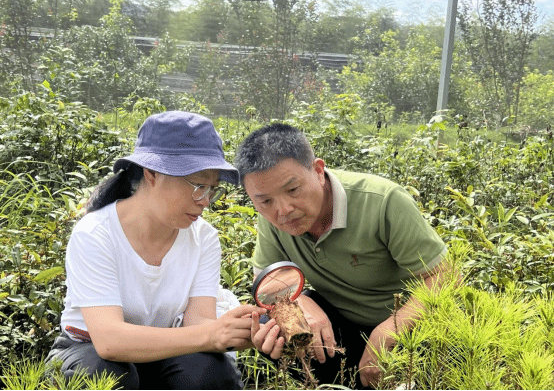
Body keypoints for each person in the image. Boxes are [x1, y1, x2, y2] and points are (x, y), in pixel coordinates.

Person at [46, 111, 266, 390]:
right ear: (152, 173)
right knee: (108, 376)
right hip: (87, 352)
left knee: (211, 372)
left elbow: (199, 324)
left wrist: (234, 331)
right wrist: (212, 334)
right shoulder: (95, 234)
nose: (205, 201)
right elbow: (109, 341)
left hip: (167, 351)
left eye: (212, 189)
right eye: (198, 186)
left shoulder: (203, 238)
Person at [234, 123, 449, 389]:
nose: (283, 210)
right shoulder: (274, 219)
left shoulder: (382, 201)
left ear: (318, 171)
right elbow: (268, 285)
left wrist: (390, 330)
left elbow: (445, 276)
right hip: (341, 327)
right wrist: (302, 303)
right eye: (265, 201)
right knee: (271, 327)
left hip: (409, 326)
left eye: (293, 190)